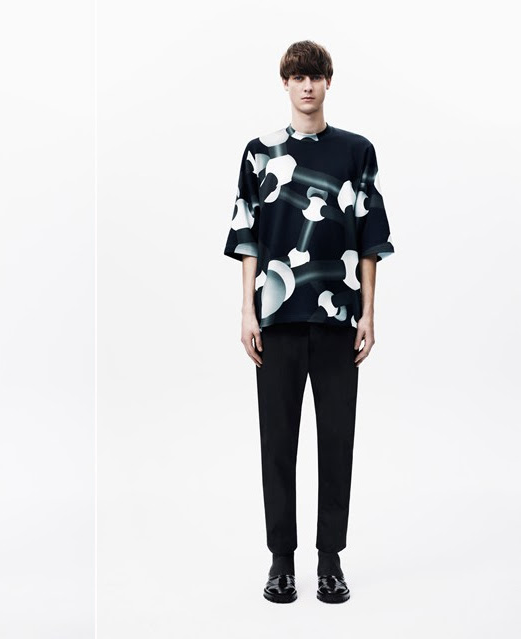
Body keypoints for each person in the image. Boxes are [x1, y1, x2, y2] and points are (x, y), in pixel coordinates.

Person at [224, 40, 394, 605]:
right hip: (276, 320)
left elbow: (370, 237)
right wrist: (247, 310)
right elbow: (247, 235)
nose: (307, 85)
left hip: (339, 318)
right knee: (277, 442)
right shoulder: (260, 153)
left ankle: (330, 561)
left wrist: (369, 312)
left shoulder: (356, 151)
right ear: (285, 83)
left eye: (315, 76)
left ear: (327, 83)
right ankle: (281, 561)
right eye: (297, 76)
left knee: (336, 441)